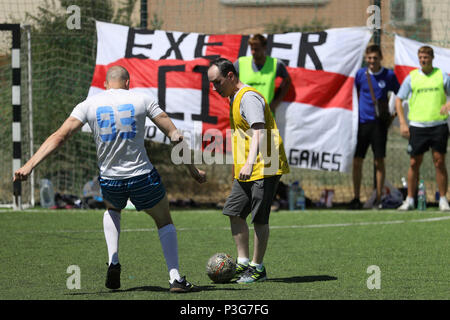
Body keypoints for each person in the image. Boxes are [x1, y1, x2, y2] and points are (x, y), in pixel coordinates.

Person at [13, 65, 206, 292]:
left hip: (110, 179)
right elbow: (175, 136)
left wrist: (29, 165)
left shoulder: (89, 104)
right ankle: (175, 279)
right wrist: (192, 170)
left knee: (113, 209)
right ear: (127, 82)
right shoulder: (142, 99)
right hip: (141, 175)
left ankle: (113, 261)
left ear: (105, 85)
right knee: (163, 220)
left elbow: (60, 136)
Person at [208, 58, 290, 283]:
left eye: (217, 82)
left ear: (231, 76)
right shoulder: (233, 96)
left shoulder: (249, 97)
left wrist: (249, 163)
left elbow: (259, 133)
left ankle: (257, 268)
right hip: (248, 168)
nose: (214, 88)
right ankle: (242, 263)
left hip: (265, 165)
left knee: (260, 219)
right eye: (212, 83)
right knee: (234, 211)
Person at [395, 46, 450, 211]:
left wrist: (448, 104)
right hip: (417, 127)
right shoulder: (412, 77)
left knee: (439, 162)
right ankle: (410, 199)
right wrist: (403, 123)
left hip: (438, 126)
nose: (423, 60)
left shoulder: (442, 76)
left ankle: (443, 199)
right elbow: (398, 99)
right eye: (420, 57)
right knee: (413, 163)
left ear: (432, 58)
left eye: (426, 57)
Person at [349, 45, 400, 210]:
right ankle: (356, 197)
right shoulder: (360, 74)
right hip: (362, 124)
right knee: (357, 161)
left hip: (379, 125)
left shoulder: (389, 75)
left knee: (379, 161)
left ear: (380, 58)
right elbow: (354, 94)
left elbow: (399, 95)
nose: (371, 61)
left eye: (374, 58)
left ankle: (378, 198)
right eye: (369, 58)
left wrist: (392, 117)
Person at [234, 34, 291, 115]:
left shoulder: (276, 64)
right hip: (243, 116)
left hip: (266, 117)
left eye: (256, 49)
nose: (253, 52)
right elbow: (229, 81)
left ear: (264, 48)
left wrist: (276, 103)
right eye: (252, 49)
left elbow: (287, 81)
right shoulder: (240, 63)